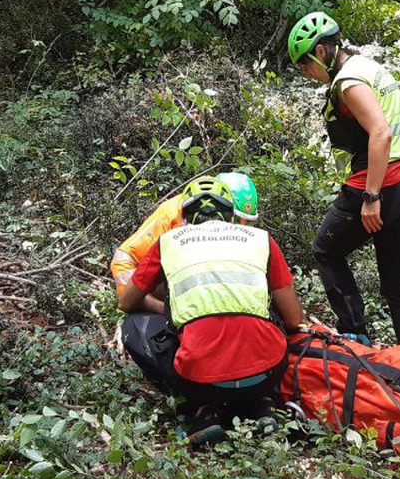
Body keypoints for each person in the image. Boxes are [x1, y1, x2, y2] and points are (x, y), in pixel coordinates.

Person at [118, 177, 304, 446]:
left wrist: (168, 312)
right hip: (266, 374)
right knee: (271, 313)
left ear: (184, 217)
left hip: (199, 382)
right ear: (231, 215)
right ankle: (264, 404)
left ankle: (198, 410)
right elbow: (294, 319)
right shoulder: (261, 239)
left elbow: (126, 302)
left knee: (133, 325)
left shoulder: (169, 241)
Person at [287, 12, 400, 344]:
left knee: (325, 249)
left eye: (304, 65)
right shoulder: (368, 67)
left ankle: (354, 334)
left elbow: (381, 133)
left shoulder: (348, 82)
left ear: (321, 51)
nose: (307, 74)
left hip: (381, 184)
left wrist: (371, 197)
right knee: (398, 284)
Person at [109, 171, 259, 309]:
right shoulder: (172, 215)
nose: (241, 226)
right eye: (239, 220)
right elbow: (124, 258)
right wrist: (156, 307)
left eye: (246, 222)